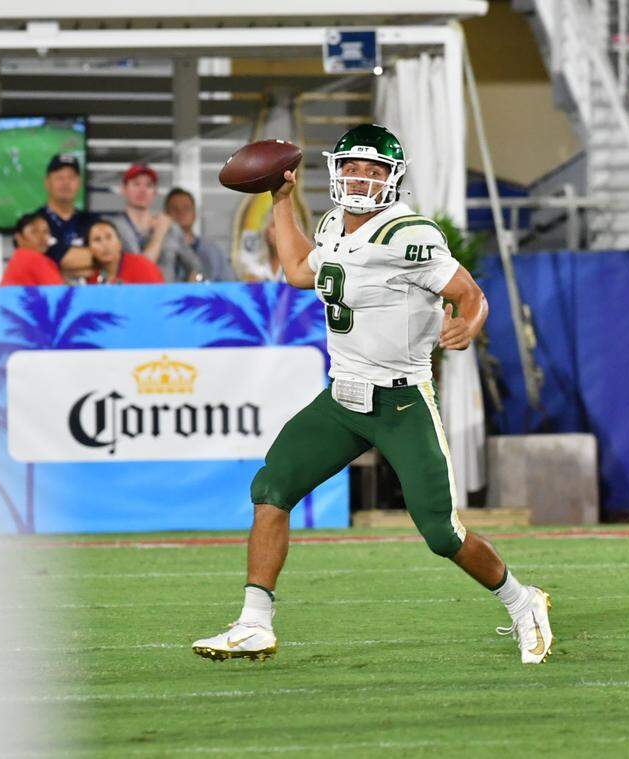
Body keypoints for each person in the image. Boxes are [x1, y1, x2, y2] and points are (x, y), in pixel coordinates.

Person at [191, 124, 554, 665]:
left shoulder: (409, 235)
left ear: (392, 177)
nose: (362, 178)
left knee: (440, 533)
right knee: (272, 487)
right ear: (336, 172)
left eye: (374, 169)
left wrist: (469, 323)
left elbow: (469, 292)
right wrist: (281, 200)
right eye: (353, 167)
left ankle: (524, 603)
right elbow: (298, 271)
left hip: (401, 402)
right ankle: (253, 623)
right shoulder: (333, 223)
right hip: (342, 399)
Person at [113, 164, 202, 282]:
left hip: (166, 292)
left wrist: (186, 287)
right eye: (136, 184)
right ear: (123, 189)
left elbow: (195, 266)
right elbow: (141, 270)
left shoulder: (172, 228)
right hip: (129, 292)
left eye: (149, 185)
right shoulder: (112, 229)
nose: (142, 190)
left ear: (154, 192)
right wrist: (159, 233)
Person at [35, 153, 98, 279]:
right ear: (47, 182)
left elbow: (108, 257)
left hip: (87, 291)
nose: (66, 183)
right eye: (59, 177)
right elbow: (37, 264)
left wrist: (57, 264)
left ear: (79, 182)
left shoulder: (93, 222)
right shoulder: (32, 224)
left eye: (71, 177)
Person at [164, 187, 236, 281]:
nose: (181, 212)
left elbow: (229, 283)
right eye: (175, 208)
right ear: (166, 214)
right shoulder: (159, 249)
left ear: (194, 214)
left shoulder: (212, 251)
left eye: (186, 208)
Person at [85, 219, 164, 285]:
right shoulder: (87, 275)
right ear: (89, 249)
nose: (105, 244)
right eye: (97, 240)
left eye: (109, 237)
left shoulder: (142, 266)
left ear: (119, 243)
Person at [0, 212, 64, 287]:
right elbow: (58, 291)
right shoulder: (32, 257)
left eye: (45, 232)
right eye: (34, 232)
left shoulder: (19, 257)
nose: (42, 237)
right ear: (19, 238)